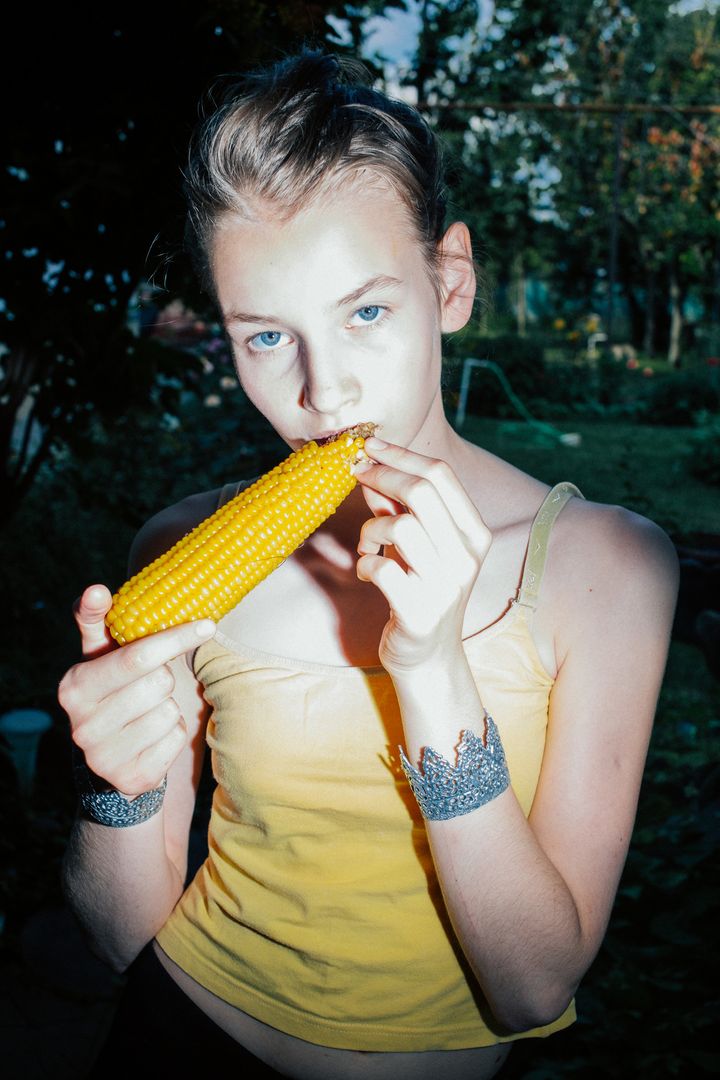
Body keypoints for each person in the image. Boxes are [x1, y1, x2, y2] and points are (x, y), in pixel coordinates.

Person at [59, 51, 679, 1080]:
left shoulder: (609, 568)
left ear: (451, 284)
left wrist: (431, 668)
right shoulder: (170, 549)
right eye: (266, 335)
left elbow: (532, 985)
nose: (322, 390)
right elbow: (120, 938)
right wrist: (113, 784)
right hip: (172, 1041)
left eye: (366, 313)